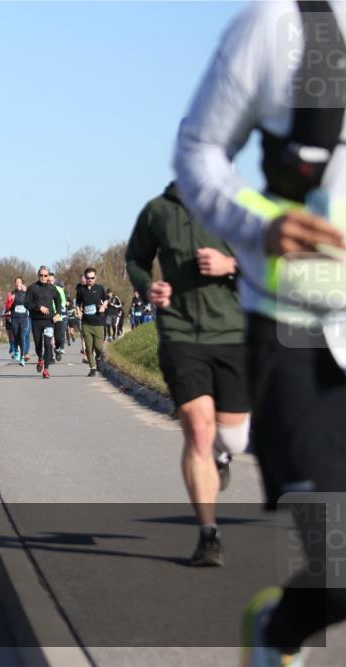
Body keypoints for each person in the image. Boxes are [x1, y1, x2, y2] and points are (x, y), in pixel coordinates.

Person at [173, 1, 346, 662]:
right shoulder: (282, 26)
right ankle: (278, 630)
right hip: (305, 329)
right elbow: (198, 151)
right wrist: (260, 222)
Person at [126, 181, 251, 569]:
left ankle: (223, 452)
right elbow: (135, 259)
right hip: (180, 333)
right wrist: (150, 287)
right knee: (197, 429)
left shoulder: (242, 206)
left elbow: (273, 262)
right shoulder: (157, 210)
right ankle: (208, 535)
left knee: (234, 435)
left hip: (233, 332)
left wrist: (232, 266)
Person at [25, 266, 62, 379]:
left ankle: (46, 369)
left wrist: (58, 313)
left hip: (49, 320)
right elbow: (27, 304)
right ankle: (40, 359)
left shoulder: (52, 288)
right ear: (38, 275)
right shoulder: (32, 288)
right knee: (38, 345)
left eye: (45, 276)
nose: (43, 277)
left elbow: (58, 300)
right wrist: (38, 307)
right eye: (41, 275)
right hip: (36, 321)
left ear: (48, 276)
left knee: (47, 344)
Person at [75, 267, 108, 377]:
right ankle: (92, 368)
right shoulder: (81, 290)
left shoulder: (99, 288)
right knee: (88, 348)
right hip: (86, 323)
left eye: (92, 278)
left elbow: (106, 299)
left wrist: (103, 306)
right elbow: (78, 304)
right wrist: (79, 311)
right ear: (85, 278)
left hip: (98, 322)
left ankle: (98, 358)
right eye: (88, 278)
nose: (90, 280)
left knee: (98, 347)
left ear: (95, 278)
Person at [5, 277, 30, 366]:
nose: (18, 284)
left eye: (20, 282)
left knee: (22, 336)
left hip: (24, 319)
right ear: (15, 284)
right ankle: (16, 350)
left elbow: (30, 305)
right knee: (15, 336)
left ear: (21, 283)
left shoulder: (26, 294)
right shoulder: (12, 294)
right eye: (16, 282)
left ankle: (22, 357)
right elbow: (7, 307)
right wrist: (10, 300)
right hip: (15, 318)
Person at [51, 275, 69, 361]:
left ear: (54, 281)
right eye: (48, 280)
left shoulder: (59, 290)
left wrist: (59, 313)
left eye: (51, 280)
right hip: (47, 315)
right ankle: (50, 356)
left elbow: (63, 304)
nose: (50, 282)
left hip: (58, 315)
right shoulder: (43, 290)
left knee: (58, 337)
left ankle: (57, 349)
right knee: (49, 336)